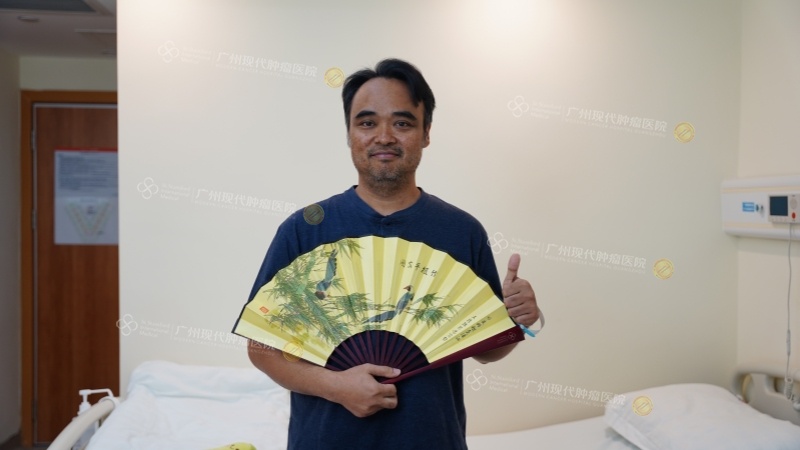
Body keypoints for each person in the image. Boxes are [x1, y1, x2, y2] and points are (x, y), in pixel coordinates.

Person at [240, 58, 540, 449]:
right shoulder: (305, 229)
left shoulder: (461, 232)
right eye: (367, 123)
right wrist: (335, 386)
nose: (383, 136)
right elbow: (262, 348)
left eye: (402, 123)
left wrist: (518, 318)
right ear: (349, 134)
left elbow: (488, 350)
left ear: (426, 133)